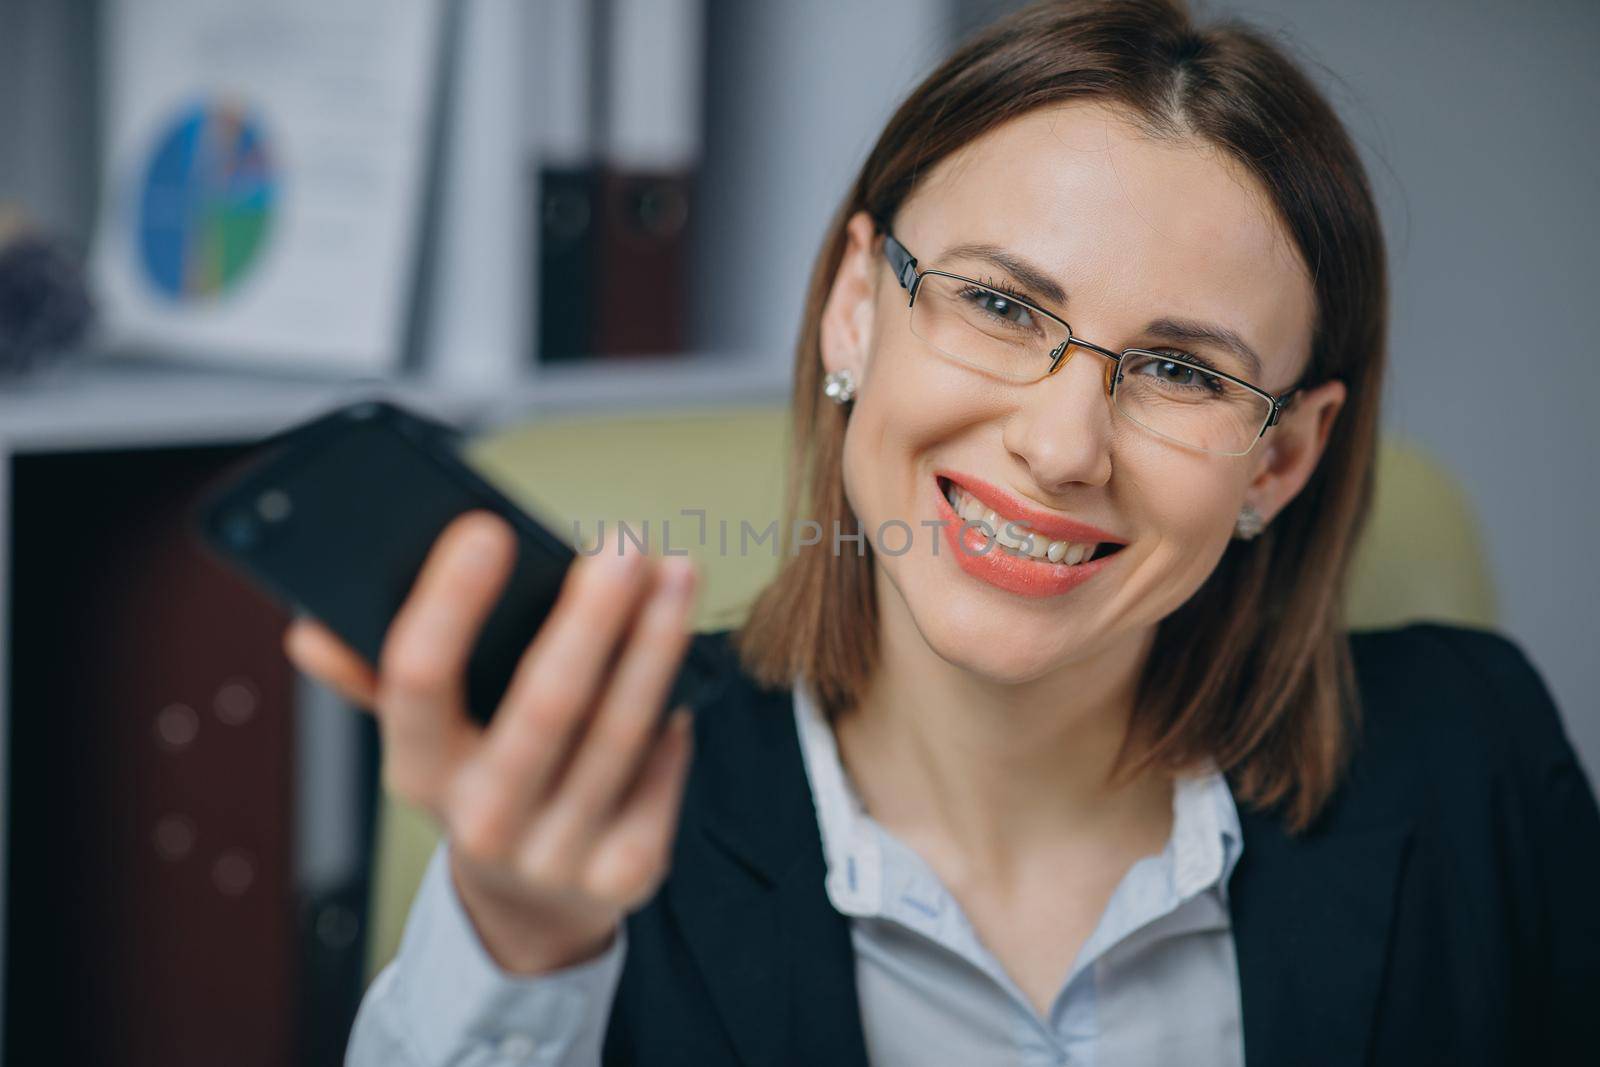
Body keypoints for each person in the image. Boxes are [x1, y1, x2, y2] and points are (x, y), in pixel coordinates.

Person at [292, 1, 1600, 1063]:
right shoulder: (611, 798)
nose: (1062, 444)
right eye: (998, 305)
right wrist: (524, 943)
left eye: (1185, 374)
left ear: (1285, 458)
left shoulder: (1477, 753)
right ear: (856, 307)